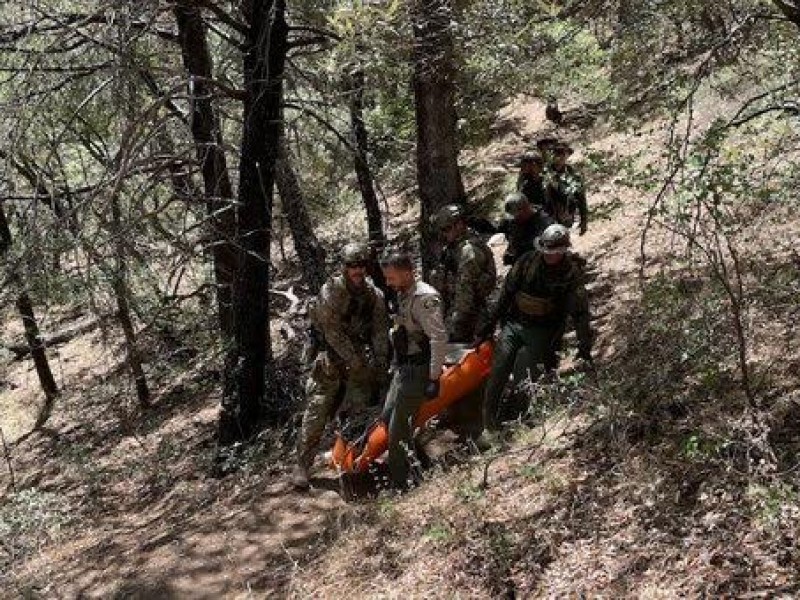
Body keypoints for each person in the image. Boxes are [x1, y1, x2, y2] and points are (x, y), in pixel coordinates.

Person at [474, 224, 592, 449]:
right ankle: (488, 427)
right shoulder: (527, 262)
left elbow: (580, 312)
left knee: (524, 377)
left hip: (542, 331)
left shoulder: (570, 273)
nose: (550, 256)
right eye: (547, 251)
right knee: (498, 372)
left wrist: (584, 346)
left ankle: (517, 425)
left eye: (555, 252)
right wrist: (488, 326)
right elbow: (506, 293)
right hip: (515, 324)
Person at [293, 242, 390, 489]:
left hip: (357, 362)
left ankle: (353, 462)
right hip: (329, 362)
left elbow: (379, 331)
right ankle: (303, 465)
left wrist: (380, 363)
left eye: (361, 265)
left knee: (359, 413)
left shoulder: (374, 295)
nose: (357, 270)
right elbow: (333, 334)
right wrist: (356, 362)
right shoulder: (330, 294)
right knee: (317, 413)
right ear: (344, 268)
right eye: (351, 265)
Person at [380, 252, 448, 489]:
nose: (388, 283)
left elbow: (438, 338)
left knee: (398, 429)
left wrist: (433, 377)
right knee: (388, 418)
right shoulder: (404, 295)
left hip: (419, 369)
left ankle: (403, 483)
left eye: (391, 278)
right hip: (404, 368)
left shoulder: (424, 298)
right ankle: (419, 462)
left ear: (407, 273)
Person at [430, 204, 497, 343]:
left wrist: (453, 324)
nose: (444, 234)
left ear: (459, 224)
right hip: (456, 311)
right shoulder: (453, 248)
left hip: (471, 318)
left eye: (447, 229)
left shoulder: (469, 251)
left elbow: (465, 292)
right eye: (442, 230)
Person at [496, 192, 553, 266]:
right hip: (520, 265)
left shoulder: (545, 224)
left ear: (526, 209)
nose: (515, 219)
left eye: (517, 215)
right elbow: (511, 237)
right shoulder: (512, 221)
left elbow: (550, 253)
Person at [545, 142, 589, 235]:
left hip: (566, 216)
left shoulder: (573, 174)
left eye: (563, 153)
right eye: (557, 153)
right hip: (546, 216)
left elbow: (581, 198)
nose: (560, 156)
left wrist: (584, 221)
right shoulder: (545, 172)